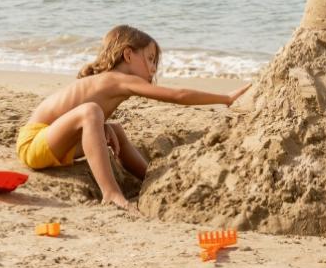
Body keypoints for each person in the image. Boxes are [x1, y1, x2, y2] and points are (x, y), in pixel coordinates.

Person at [16, 25, 250, 212]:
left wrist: (102, 127)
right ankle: (111, 193)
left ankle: (149, 179)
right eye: (149, 59)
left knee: (113, 128)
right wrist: (225, 98)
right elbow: (177, 95)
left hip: (56, 145)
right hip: (34, 142)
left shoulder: (112, 82)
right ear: (128, 54)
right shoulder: (116, 79)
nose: (153, 69)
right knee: (91, 112)